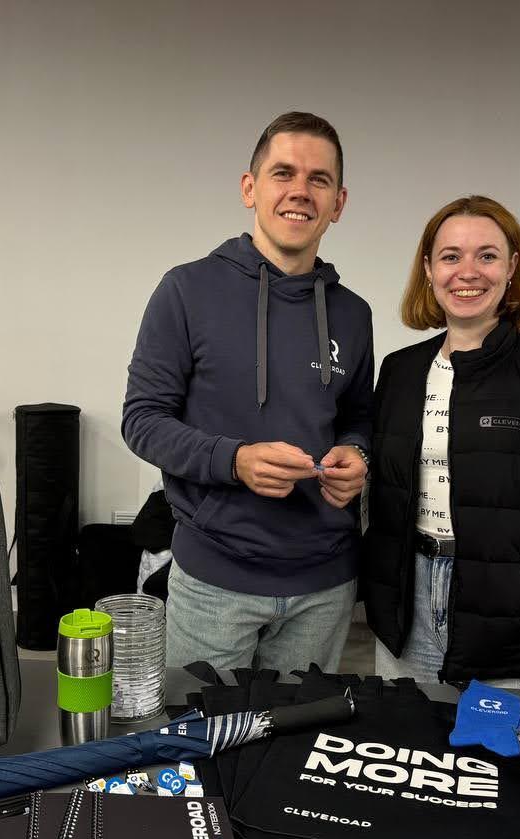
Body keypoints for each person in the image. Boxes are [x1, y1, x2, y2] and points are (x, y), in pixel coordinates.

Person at [122, 112, 374, 676]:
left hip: (326, 587)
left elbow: (359, 416)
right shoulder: (186, 290)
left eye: (319, 179)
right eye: (283, 173)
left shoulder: (353, 313)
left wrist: (358, 452)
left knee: (298, 731)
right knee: (199, 730)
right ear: (249, 188)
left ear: (338, 203)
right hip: (214, 583)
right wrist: (234, 461)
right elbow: (142, 420)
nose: (300, 191)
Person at [361, 196, 520, 686]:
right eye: (450, 256)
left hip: (508, 614)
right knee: (409, 731)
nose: (467, 272)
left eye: (487, 256)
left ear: (511, 268)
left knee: (502, 738)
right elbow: (378, 488)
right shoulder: (399, 370)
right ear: (428, 269)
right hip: (405, 603)